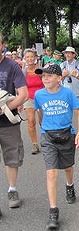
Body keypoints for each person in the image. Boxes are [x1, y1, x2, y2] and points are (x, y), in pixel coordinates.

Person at [34, 64, 79, 230]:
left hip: (66, 134)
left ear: (58, 78)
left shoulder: (68, 93)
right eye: (43, 76)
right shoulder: (39, 95)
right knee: (51, 172)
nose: (45, 79)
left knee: (68, 168)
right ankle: (53, 210)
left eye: (49, 76)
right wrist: (44, 126)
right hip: (48, 136)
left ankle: (70, 186)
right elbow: (39, 111)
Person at [0, 35, 28, 213]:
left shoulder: (12, 66)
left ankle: (12, 190)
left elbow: (23, 94)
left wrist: (5, 108)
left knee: (11, 158)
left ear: (2, 45)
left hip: (7, 122)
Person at [23, 49, 44, 154]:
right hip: (29, 98)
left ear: (35, 57)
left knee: (42, 122)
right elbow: (20, 87)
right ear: (25, 59)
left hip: (41, 98)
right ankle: (34, 144)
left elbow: (46, 83)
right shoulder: (23, 72)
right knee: (31, 122)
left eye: (32, 56)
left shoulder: (40, 70)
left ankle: (46, 141)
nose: (30, 59)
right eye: (27, 57)